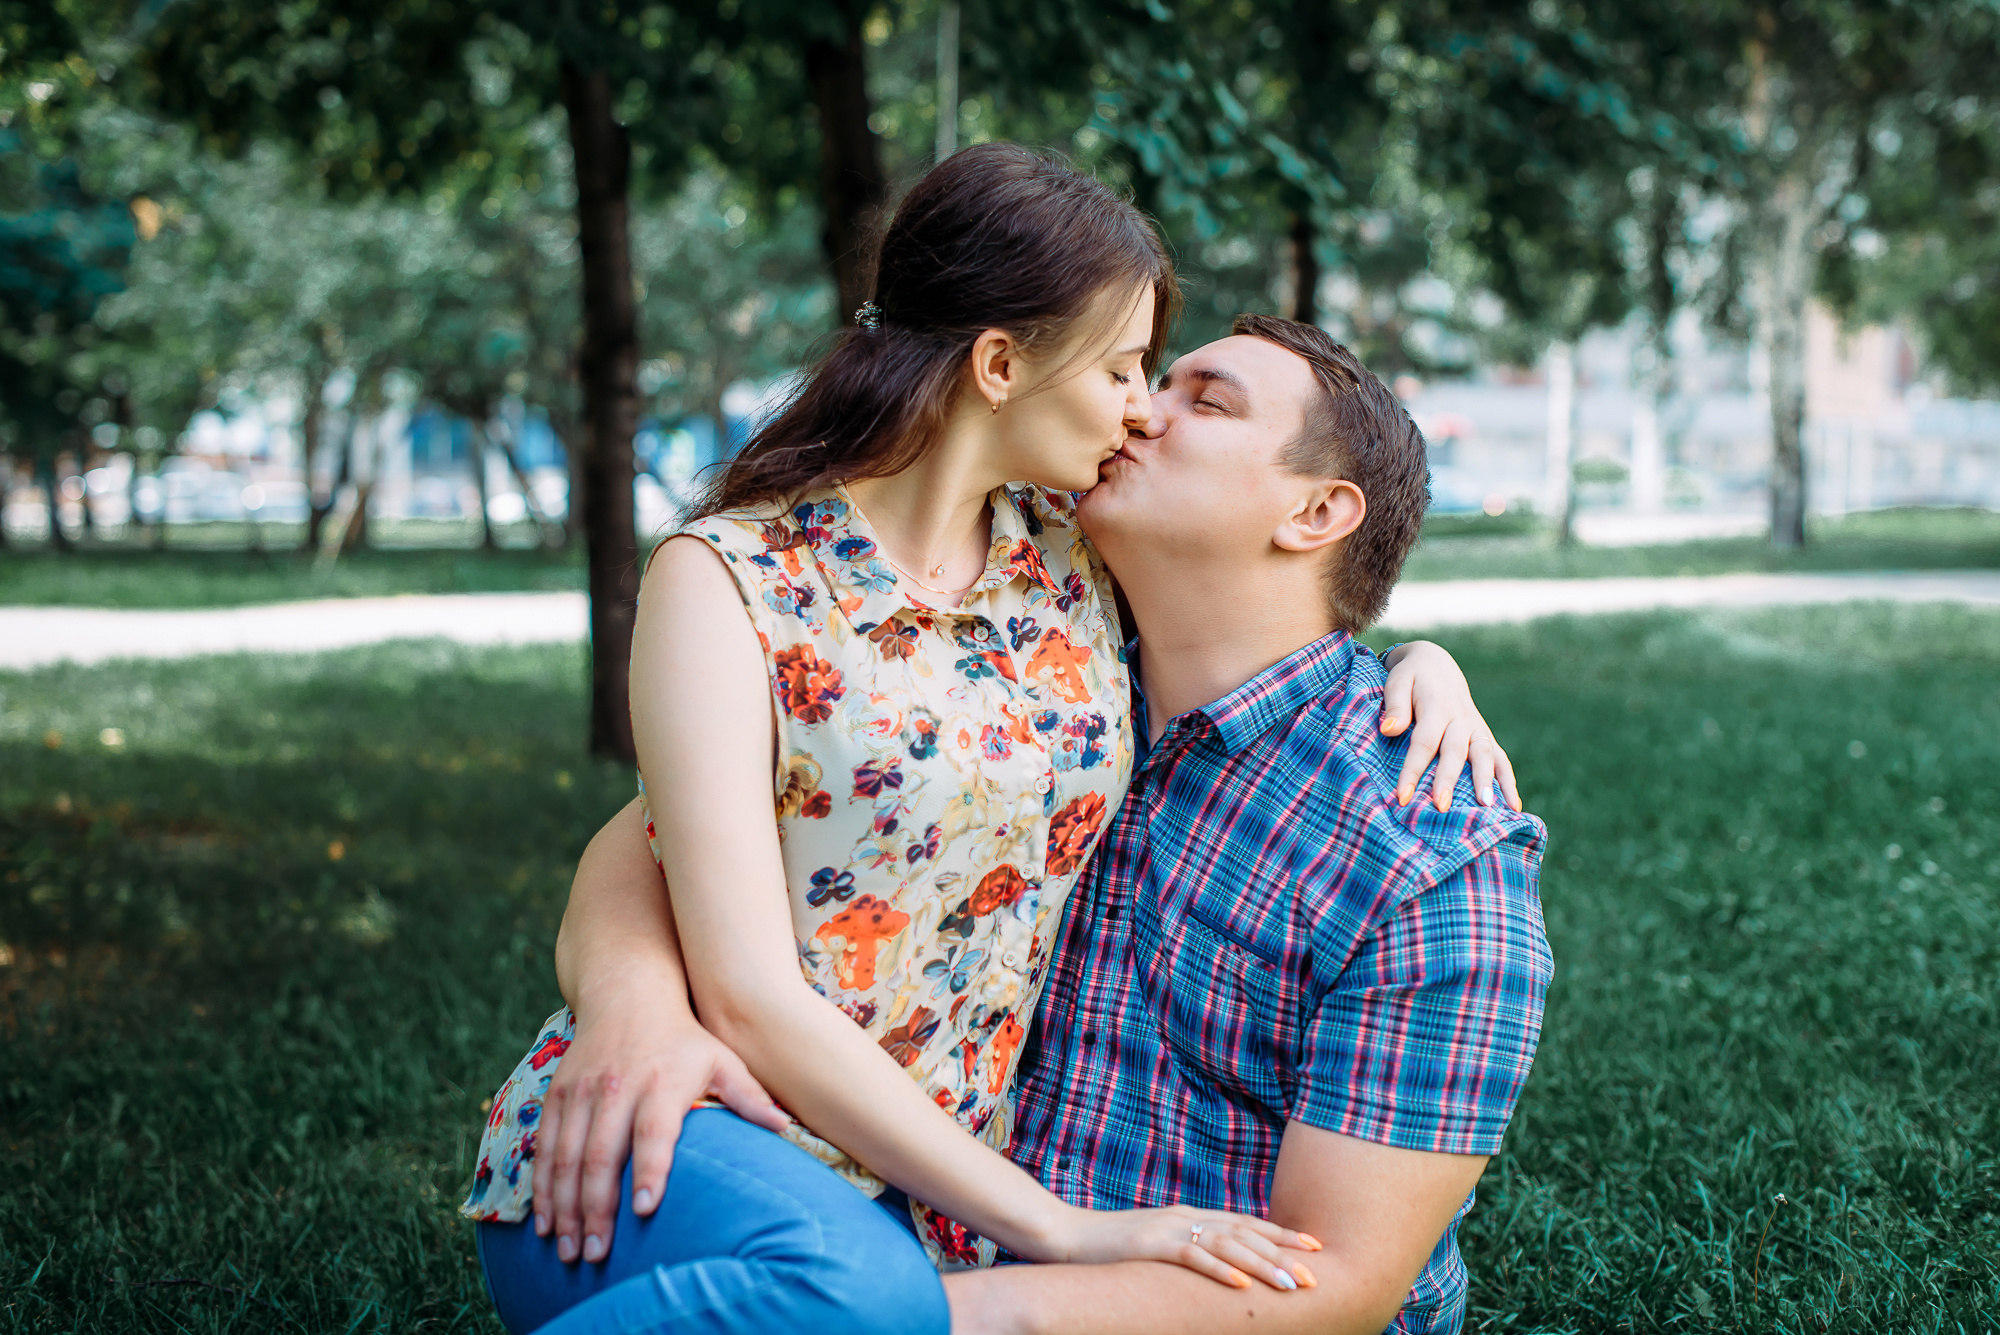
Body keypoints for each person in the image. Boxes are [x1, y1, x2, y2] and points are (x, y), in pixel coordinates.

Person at [466, 144, 1517, 1335]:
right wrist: (631, 1001)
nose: (1140, 411)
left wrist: (1420, 666)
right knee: (859, 1296)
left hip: (930, 1197)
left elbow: (1270, 620)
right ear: (1002, 364)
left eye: (1180, 390)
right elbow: (659, 829)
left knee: (883, 1295)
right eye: (1131, 371)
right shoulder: (748, 580)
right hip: (700, 1124)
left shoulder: (1064, 570)